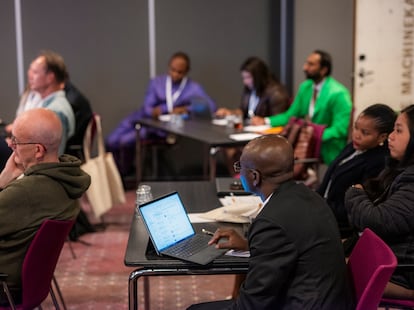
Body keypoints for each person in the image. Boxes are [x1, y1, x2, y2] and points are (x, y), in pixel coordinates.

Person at [188, 135, 354, 310]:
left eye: (240, 167)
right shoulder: (310, 196)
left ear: (254, 177)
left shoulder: (270, 222)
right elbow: (293, 245)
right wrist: (249, 245)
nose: (239, 172)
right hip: (326, 299)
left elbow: (252, 304)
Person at [0, 108, 90, 304]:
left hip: (6, 285)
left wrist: (2, 181)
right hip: (26, 282)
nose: (10, 144)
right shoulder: (67, 178)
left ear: (38, 150)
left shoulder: (26, 192)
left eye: (16, 140)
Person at [106, 51, 216, 176]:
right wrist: (165, 109)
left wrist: (187, 109)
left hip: (158, 129)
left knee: (125, 142)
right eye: (172, 70)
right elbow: (148, 108)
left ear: (186, 72)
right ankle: (119, 172)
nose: (175, 74)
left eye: (179, 72)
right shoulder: (157, 82)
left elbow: (211, 107)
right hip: (140, 118)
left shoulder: (193, 88)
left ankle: (122, 175)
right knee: (111, 141)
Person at [345, 104, 414, 300]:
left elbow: (376, 221)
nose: (390, 136)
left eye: (398, 131)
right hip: (385, 259)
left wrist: (354, 193)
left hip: (399, 272)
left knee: (316, 267)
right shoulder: (400, 168)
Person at [250, 50, 352, 165]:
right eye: (306, 63)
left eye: (311, 64)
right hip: (308, 145)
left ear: (324, 70)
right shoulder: (306, 87)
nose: (305, 67)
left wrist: (312, 135)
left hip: (329, 148)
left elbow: (340, 129)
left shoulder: (339, 93)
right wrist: (265, 120)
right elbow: (290, 115)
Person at [317, 103, 396, 238]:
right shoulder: (353, 147)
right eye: (355, 128)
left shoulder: (378, 163)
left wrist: (321, 208)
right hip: (322, 208)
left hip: (339, 225)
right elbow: (331, 178)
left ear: (382, 137)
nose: (356, 135)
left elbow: (356, 205)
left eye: (365, 133)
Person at [15, 50, 76, 155]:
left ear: (50, 78)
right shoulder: (47, 105)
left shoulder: (55, 112)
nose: (30, 76)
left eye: (35, 72)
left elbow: (54, 156)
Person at [215, 56, 290, 121]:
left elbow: (280, 120)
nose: (245, 82)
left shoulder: (276, 93)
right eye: (244, 78)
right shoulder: (250, 89)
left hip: (267, 134)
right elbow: (243, 111)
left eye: (248, 77)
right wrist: (230, 113)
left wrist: (264, 121)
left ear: (259, 76)